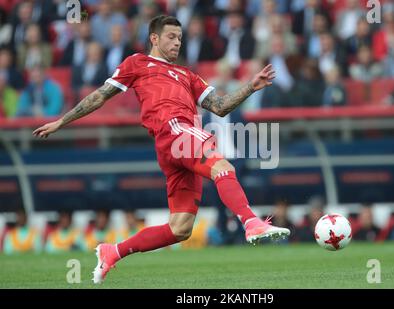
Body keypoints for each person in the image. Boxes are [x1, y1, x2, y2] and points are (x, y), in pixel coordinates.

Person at [33, 15, 289, 284]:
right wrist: (62, 121)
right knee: (222, 166)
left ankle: (113, 251)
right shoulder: (137, 63)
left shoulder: (187, 75)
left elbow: (221, 106)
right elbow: (100, 95)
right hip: (173, 130)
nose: (177, 42)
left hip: (177, 144)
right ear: (154, 38)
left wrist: (250, 86)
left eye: (179, 37)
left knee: (180, 229)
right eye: (171, 36)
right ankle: (251, 222)